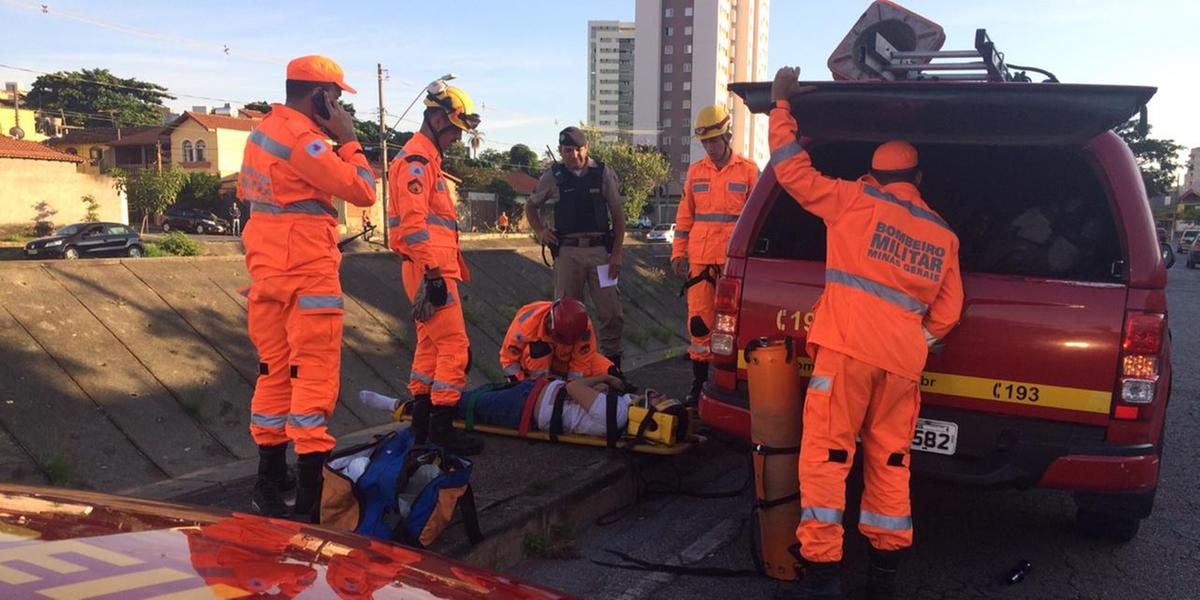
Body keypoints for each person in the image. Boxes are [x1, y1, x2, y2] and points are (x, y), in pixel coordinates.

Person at [769, 67, 963, 599]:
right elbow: (948, 313)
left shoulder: (855, 200)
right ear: (919, 178)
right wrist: (910, 340)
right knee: (891, 460)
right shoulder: (943, 234)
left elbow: (792, 172)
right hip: (901, 365)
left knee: (829, 457)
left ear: (874, 175)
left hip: (848, 351)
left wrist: (781, 106)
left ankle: (824, 574)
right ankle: (885, 573)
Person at [237, 55, 376, 521]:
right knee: (313, 377)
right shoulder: (303, 140)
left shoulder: (263, 132)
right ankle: (312, 501)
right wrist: (350, 139)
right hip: (306, 272)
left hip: (268, 272)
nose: (338, 106)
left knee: (274, 373)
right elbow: (362, 190)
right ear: (318, 95)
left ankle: (270, 481)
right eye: (335, 97)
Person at [387, 79, 484, 456]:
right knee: (455, 347)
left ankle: (423, 427)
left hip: (428, 268)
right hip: (430, 270)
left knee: (429, 349)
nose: (459, 139)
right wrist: (432, 274)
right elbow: (413, 226)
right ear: (439, 119)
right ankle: (442, 428)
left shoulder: (423, 160)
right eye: (456, 130)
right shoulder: (418, 162)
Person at [671, 104, 760, 405]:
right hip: (700, 260)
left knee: (735, 324)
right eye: (706, 142)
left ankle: (732, 384)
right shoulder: (696, 173)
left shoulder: (749, 172)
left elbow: (758, 221)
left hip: (736, 263)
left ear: (728, 137)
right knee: (700, 324)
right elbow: (684, 219)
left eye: (714, 140)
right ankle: (698, 385)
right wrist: (677, 254)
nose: (710, 147)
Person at [526, 127, 626, 371]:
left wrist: (616, 254)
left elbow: (618, 216)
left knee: (611, 313)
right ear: (561, 151)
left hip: (601, 252)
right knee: (565, 316)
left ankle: (613, 370)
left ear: (586, 148)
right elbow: (531, 206)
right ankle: (568, 371)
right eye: (567, 150)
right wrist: (541, 231)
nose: (573, 155)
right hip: (568, 253)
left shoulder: (602, 174)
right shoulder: (553, 176)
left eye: (578, 149)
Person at [499, 297, 616, 382]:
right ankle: (537, 386)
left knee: (607, 369)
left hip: (564, 361)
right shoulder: (524, 327)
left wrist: (572, 387)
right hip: (534, 366)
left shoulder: (583, 327)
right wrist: (520, 386)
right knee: (538, 350)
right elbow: (508, 360)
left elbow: (582, 361)